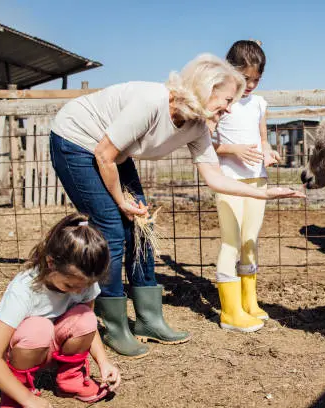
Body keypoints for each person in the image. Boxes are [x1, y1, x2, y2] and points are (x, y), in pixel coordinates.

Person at [49, 53, 304, 358]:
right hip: (77, 140)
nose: (230, 107)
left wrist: (263, 194)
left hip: (113, 152)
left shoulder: (197, 126)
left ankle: (149, 319)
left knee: (143, 229)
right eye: (225, 98)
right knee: (113, 231)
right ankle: (115, 325)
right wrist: (121, 201)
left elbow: (214, 176)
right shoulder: (152, 102)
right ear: (205, 88)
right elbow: (104, 154)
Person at [0, 213, 121, 408]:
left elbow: (89, 326)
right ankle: (17, 393)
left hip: (51, 348)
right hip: (19, 352)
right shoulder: (24, 290)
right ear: (51, 263)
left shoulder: (83, 281)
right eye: (70, 285)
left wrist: (104, 362)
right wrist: (28, 400)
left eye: (85, 286)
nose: (78, 291)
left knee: (86, 317)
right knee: (38, 328)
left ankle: (70, 380)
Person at [212, 40, 280, 332]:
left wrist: (268, 152)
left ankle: (248, 301)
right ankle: (229, 312)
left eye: (256, 79)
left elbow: (263, 138)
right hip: (228, 181)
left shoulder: (259, 104)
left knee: (250, 241)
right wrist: (233, 150)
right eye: (245, 78)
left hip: (257, 179)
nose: (250, 84)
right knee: (231, 241)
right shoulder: (219, 102)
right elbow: (206, 144)